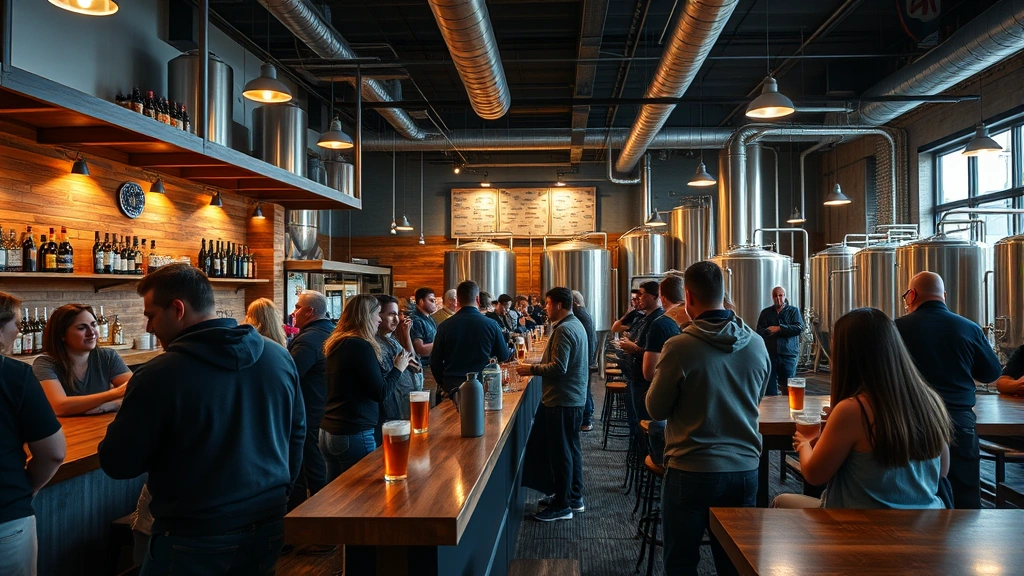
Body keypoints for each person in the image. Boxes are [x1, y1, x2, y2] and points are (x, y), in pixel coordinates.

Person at [99, 264, 304, 575]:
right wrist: (281, 492)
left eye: (151, 315)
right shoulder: (278, 357)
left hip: (193, 534)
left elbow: (118, 463)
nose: (148, 327)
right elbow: (297, 433)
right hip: (269, 523)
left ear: (178, 309)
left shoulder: (158, 375)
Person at [646, 261, 770, 576]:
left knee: (681, 562)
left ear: (687, 297)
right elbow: (757, 397)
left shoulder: (679, 347)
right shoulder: (756, 343)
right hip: (745, 468)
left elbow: (656, 410)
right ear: (723, 293)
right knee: (733, 562)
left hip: (691, 469)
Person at [772, 308, 952, 510]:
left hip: (863, 527)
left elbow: (815, 475)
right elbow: (942, 471)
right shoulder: (931, 401)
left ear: (849, 355)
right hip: (924, 525)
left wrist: (804, 444)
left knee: (781, 502)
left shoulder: (853, 410)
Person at [895, 271, 1001, 509]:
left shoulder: (895, 329)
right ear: (943, 296)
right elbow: (992, 373)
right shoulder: (969, 328)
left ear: (911, 295)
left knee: (911, 495)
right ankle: (964, 543)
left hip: (907, 421)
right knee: (965, 497)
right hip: (958, 420)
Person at [0, 292, 65, 576]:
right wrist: (30, 485)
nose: (18, 330)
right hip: (5, 515)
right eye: (15, 323)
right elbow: (53, 453)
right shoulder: (14, 375)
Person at [517, 288, 589, 522]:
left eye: (548, 304)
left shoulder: (565, 329)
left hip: (563, 399)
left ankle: (562, 506)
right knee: (571, 449)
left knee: (562, 454)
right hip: (572, 398)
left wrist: (531, 369)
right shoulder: (574, 323)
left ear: (558, 305)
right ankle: (572, 497)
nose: (545, 308)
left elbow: (560, 368)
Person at [321, 295, 410, 480]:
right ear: (366, 316)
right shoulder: (360, 345)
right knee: (363, 498)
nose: (379, 319)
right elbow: (380, 392)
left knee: (336, 500)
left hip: (328, 432)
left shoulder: (338, 342)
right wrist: (398, 368)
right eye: (378, 314)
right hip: (354, 433)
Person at [33, 304, 131, 416]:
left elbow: (138, 391)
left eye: (94, 325)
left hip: (100, 426)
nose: (91, 333)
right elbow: (59, 407)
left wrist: (111, 405)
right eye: (82, 328)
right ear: (62, 334)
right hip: (68, 430)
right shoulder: (45, 363)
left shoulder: (107, 356)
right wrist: (116, 393)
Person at [287, 290, 334, 511]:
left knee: (311, 472)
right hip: (327, 410)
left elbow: (289, 378)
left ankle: (319, 533)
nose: (293, 312)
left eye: (297, 307)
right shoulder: (333, 333)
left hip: (310, 414)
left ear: (309, 311)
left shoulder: (308, 340)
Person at [431, 281, 510, 405]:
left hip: (452, 388)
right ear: (478, 299)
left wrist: (444, 384)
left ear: (458, 300)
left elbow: (434, 362)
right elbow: (504, 356)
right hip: (482, 386)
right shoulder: (491, 325)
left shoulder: (444, 326)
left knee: (449, 423)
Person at [617, 281, 664, 428]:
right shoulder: (646, 318)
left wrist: (633, 347)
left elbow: (655, 355)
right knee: (634, 422)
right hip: (634, 377)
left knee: (642, 424)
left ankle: (642, 451)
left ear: (655, 296)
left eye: (641, 294)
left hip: (644, 382)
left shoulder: (657, 321)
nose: (638, 298)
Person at [376, 295, 422, 422]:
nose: (397, 319)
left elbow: (415, 364)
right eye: (391, 314)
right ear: (377, 316)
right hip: (391, 413)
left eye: (398, 314)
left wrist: (406, 334)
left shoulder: (392, 339)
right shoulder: (375, 344)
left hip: (406, 406)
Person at [755, 286, 804, 396]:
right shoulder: (766, 313)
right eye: (775, 296)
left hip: (788, 355)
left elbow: (799, 328)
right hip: (770, 354)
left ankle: (787, 410)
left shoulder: (793, 311)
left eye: (780, 295)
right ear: (772, 297)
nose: (778, 298)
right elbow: (759, 331)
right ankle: (771, 412)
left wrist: (779, 328)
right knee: (770, 387)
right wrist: (768, 331)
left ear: (785, 296)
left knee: (789, 388)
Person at [572, 291, 598, 432]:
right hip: (588, 357)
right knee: (586, 387)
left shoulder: (579, 315)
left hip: (585, 358)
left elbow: (587, 340)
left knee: (584, 388)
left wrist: (588, 360)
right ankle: (589, 414)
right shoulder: (584, 313)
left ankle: (586, 419)